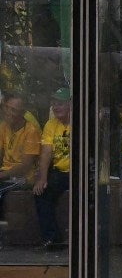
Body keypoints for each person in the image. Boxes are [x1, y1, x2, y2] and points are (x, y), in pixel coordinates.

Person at [33, 87, 71, 249]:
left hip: (80, 171)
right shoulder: (51, 124)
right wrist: (42, 178)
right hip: (60, 172)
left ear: (70, 104)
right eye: (54, 103)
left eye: (60, 103)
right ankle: (52, 238)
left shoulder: (82, 121)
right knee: (41, 194)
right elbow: (46, 152)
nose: (56, 107)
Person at [0, 92, 42, 230]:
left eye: (14, 110)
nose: (9, 112)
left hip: (23, 178)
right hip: (6, 174)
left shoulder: (31, 131)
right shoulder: (4, 127)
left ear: (22, 113)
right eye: (7, 107)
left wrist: (1, 175)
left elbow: (25, 166)